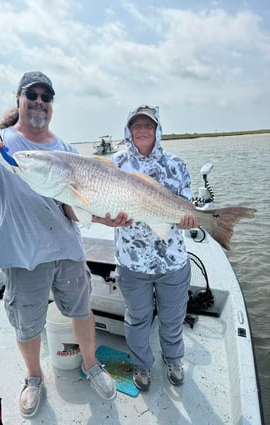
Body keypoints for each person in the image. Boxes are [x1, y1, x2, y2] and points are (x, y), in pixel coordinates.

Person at [0, 71, 132, 418]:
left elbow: (72, 205)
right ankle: (34, 377)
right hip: (22, 256)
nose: (39, 102)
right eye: (32, 95)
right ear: (18, 99)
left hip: (67, 249)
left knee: (81, 312)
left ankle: (91, 364)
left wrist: (103, 218)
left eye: (46, 97)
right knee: (27, 324)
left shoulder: (65, 149)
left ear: (52, 104)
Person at [112, 105, 198, 391]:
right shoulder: (116, 165)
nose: (142, 131)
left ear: (157, 129)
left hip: (172, 262)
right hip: (132, 263)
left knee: (173, 319)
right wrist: (111, 218)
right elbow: (102, 202)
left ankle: (173, 359)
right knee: (137, 320)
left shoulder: (176, 164)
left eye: (148, 125)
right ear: (128, 131)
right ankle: (142, 365)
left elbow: (187, 203)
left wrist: (188, 218)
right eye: (136, 125)